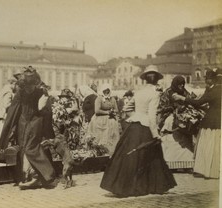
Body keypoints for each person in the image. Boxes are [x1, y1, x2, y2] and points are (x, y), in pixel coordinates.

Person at [100, 65, 176, 197]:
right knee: (153, 157)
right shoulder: (155, 94)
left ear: (145, 79)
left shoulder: (139, 92)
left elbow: (127, 108)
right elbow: (152, 117)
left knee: (132, 156)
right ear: (157, 79)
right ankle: (155, 185)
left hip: (134, 126)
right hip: (146, 127)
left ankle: (121, 184)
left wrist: (137, 115)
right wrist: (155, 134)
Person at [0, 66, 56, 189]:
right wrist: (10, 127)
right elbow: (13, 110)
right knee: (23, 148)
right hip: (23, 123)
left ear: (35, 83)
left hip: (35, 122)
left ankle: (39, 175)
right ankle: (26, 176)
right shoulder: (20, 93)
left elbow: (46, 111)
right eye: (27, 85)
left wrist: (42, 111)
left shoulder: (41, 92)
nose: (29, 88)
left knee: (31, 148)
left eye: (31, 85)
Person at [173, 68, 221, 179]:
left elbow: (199, 102)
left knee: (208, 145)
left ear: (213, 79)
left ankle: (206, 170)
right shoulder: (215, 90)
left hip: (211, 122)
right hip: (218, 121)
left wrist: (182, 98)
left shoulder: (214, 90)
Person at [86, 83, 120, 156]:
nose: (106, 92)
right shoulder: (99, 99)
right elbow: (97, 111)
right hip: (99, 119)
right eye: (105, 91)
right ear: (102, 91)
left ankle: (110, 153)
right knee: (99, 138)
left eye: (108, 91)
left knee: (111, 136)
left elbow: (117, 109)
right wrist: (107, 112)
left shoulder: (112, 99)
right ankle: (98, 153)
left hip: (110, 119)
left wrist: (113, 112)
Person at [0, 77, 17, 150]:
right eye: (15, 85)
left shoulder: (2, 90)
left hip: (1, 114)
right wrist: (14, 103)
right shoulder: (8, 92)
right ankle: (1, 150)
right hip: (5, 115)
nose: (15, 87)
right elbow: (7, 105)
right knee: (3, 133)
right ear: (12, 84)